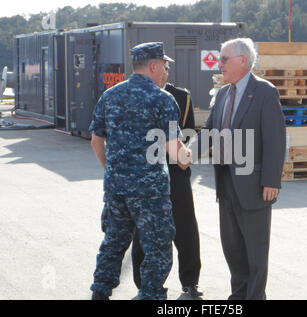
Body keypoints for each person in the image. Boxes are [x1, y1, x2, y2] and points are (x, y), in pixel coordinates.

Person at [89, 42, 191, 300]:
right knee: (157, 246)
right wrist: (185, 156)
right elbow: (173, 148)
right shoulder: (162, 99)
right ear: (153, 66)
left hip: (116, 188)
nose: (166, 72)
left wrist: (111, 169)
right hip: (150, 192)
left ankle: (100, 292)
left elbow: (96, 140)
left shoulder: (110, 95)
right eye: (164, 67)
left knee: (114, 242)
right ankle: (151, 295)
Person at [191, 38, 286, 300]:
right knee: (232, 248)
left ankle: (255, 297)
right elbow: (209, 132)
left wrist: (271, 181)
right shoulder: (222, 93)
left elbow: (275, 140)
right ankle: (239, 296)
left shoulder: (265, 92)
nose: (219, 64)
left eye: (223, 59)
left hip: (254, 185)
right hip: (225, 184)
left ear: (242, 61)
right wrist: (188, 152)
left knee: (255, 250)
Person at [131, 79, 203, 298]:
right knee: (143, 230)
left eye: (166, 68)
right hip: (146, 176)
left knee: (185, 228)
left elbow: (188, 133)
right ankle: (144, 282)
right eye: (161, 66)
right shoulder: (132, 95)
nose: (164, 72)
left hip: (175, 174)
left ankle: (190, 281)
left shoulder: (181, 96)